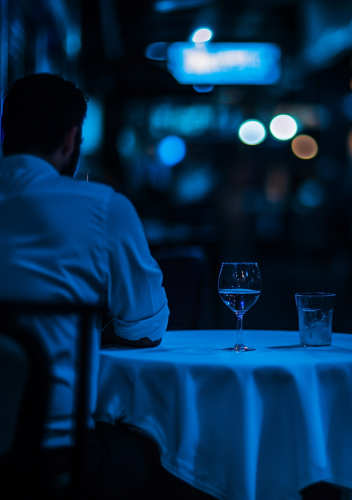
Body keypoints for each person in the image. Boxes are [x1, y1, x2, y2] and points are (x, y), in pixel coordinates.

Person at [0, 73, 204, 499]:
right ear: (73, 139)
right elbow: (145, 329)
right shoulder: (103, 208)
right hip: (54, 456)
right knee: (171, 453)